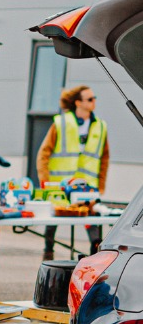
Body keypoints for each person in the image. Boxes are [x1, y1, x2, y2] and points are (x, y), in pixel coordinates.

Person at [37, 84, 109, 259]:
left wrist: (100, 186)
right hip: (60, 184)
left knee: (91, 220)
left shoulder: (100, 126)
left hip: (87, 186)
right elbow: (43, 153)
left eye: (94, 98)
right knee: (53, 219)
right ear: (78, 102)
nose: (94, 102)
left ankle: (94, 256)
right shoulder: (61, 123)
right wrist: (46, 182)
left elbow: (104, 158)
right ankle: (48, 252)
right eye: (90, 99)